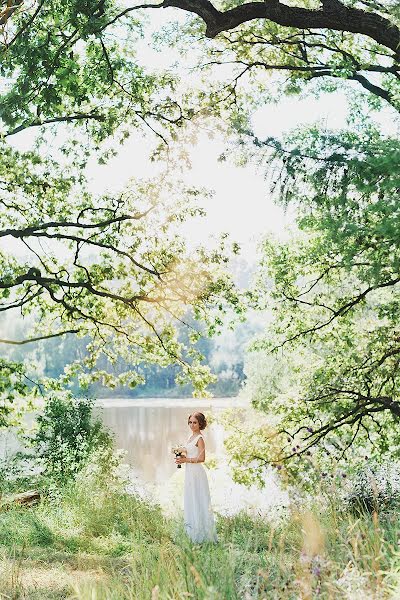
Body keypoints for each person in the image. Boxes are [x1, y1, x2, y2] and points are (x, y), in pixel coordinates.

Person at [175, 412, 218, 543]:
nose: (192, 425)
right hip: (189, 473)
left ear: (200, 424)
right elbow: (189, 452)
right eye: (190, 422)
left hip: (197, 474)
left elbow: (201, 458)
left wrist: (185, 460)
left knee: (199, 501)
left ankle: (204, 536)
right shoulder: (191, 437)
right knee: (191, 500)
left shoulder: (200, 438)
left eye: (195, 422)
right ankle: (193, 534)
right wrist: (181, 456)